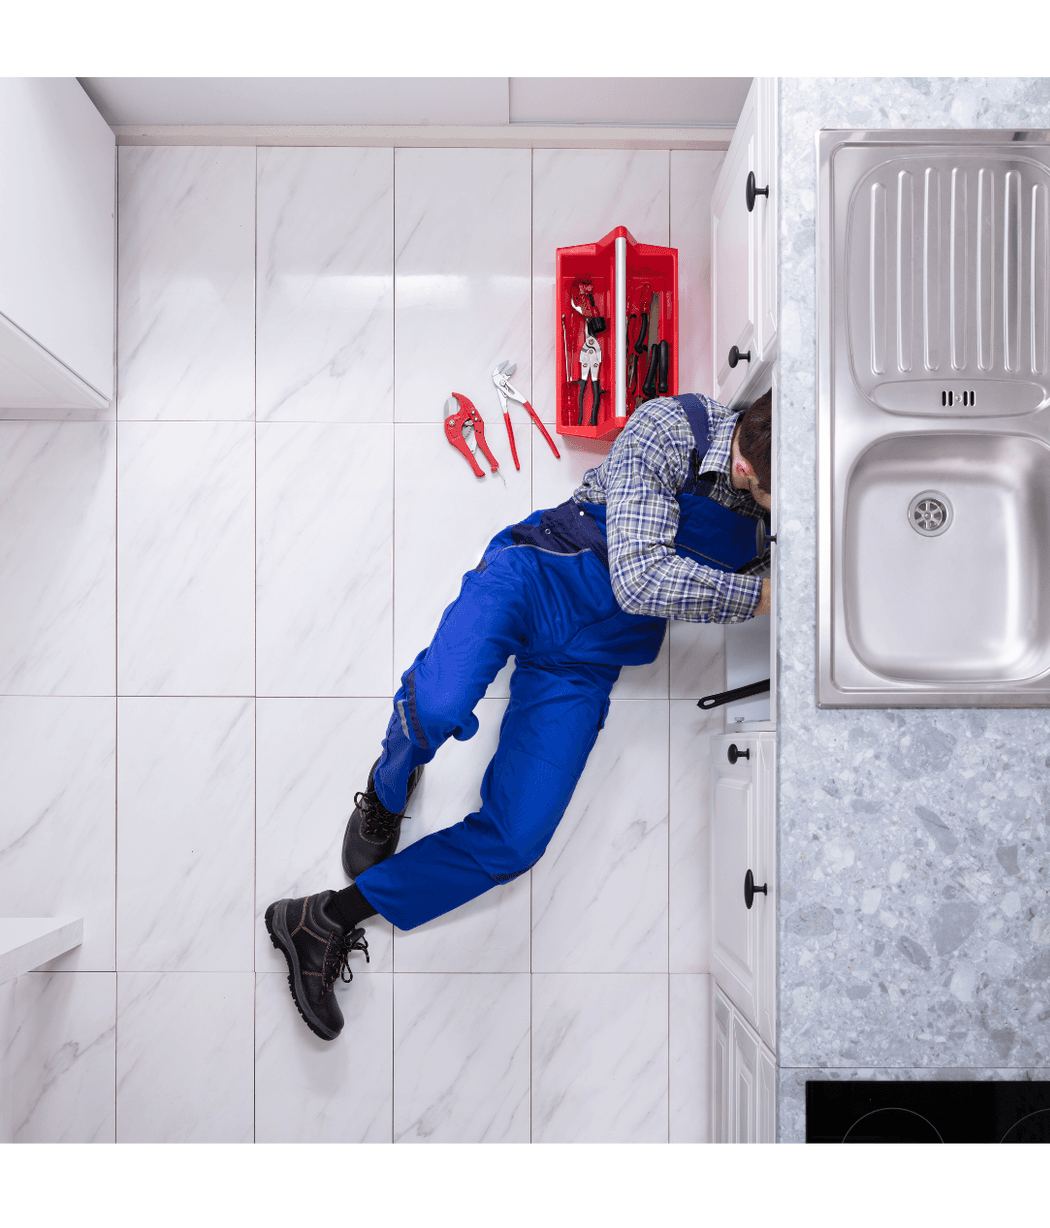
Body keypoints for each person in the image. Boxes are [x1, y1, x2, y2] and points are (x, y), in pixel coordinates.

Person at [264, 390, 773, 1040]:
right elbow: (641, 582)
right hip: (534, 577)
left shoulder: (764, 508)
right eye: (772, 498)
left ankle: (321, 919)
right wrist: (764, 592)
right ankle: (386, 793)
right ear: (750, 468)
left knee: (517, 840)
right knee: (440, 704)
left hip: (586, 660)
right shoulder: (672, 427)